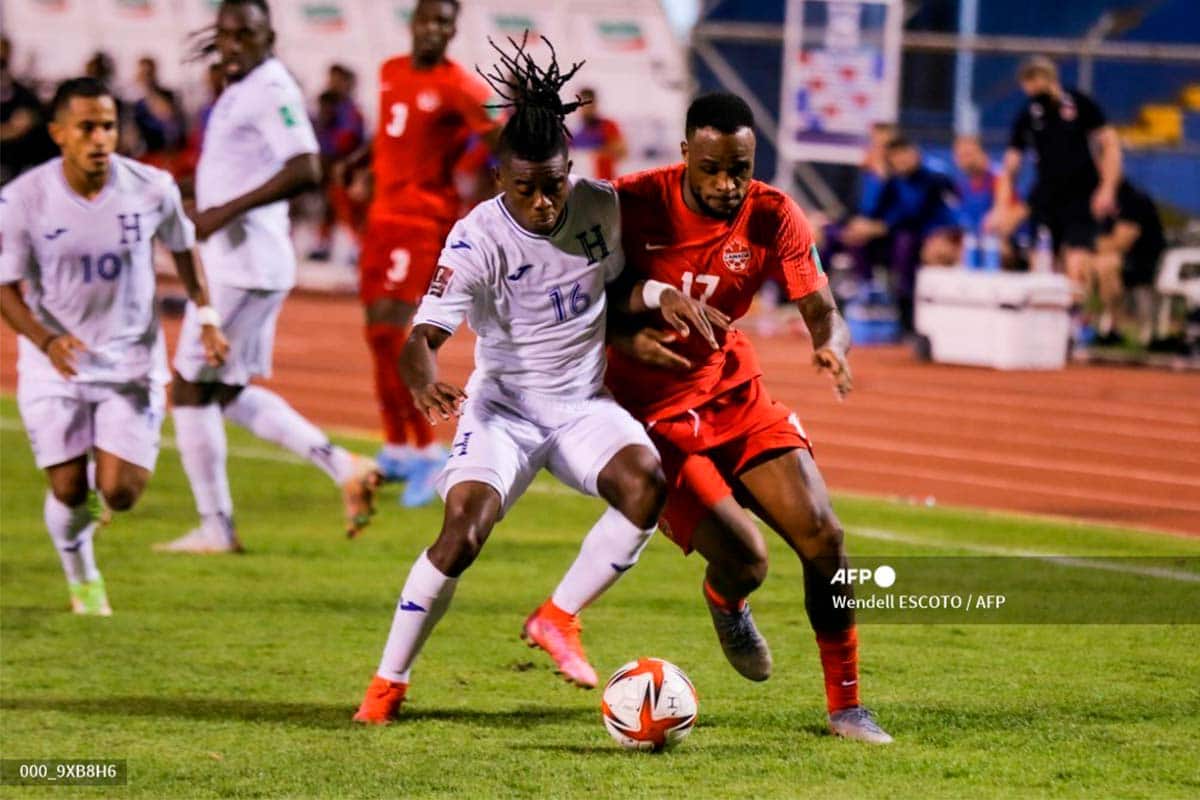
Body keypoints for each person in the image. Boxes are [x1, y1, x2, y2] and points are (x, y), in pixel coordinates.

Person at [351, 35, 719, 724]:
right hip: (505, 410)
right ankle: (388, 681)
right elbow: (420, 338)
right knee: (462, 532)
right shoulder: (475, 237)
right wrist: (425, 377)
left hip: (581, 405)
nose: (545, 202)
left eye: (554, 184)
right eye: (527, 188)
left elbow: (622, 282)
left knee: (646, 487)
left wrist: (659, 296)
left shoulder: (601, 206)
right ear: (500, 180)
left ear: (569, 169)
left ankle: (557, 616)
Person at [595, 91, 893, 743]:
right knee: (748, 561)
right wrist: (624, 334)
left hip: (733, 392)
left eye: (741, 167)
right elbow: (576, 295)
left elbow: (821, 304)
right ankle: (727, 598)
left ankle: (846, 708)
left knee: (824, 537)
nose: (729, 184)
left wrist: (831, 346)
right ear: (684, 157)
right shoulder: (630, 202)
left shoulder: (772, 211)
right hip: (649, 423)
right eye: (714, 169)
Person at [155, 0, 380, 554]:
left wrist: (219, 212)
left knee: (188, 388)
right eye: (226, 34)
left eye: (245, 35)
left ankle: (215, 526)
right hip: (246, 262)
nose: (233, 44)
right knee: (226, 390)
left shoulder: (272, 87)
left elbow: (306, 166)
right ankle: (340, 462)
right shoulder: (245, 85)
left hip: (245, 266)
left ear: (269, 36)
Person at [0, 77, 228, 613]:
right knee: (69, 490)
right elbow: (5, 289)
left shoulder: (152, 187)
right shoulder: (23, 199)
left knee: (121, 493)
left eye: (108, 126)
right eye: (87, 127)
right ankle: (82, 576)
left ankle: (96, 514)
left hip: (130, 361)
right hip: (53, 363)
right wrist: (46, 339)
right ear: (59, 133)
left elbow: (184, 250)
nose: (100, 138)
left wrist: (209, 316)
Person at [343, 0, 499, 506]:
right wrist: (359, 161)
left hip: (421, 221)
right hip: (382, 218)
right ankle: (397, 446)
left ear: (452, 32)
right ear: (413, 22)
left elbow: (501, 132)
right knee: (374, 334)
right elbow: (391, 134)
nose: (435, 30)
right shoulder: (390, 72)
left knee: (396, 331)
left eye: (445, 24)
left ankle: (431, 452)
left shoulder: (459, 86)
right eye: (429, 20)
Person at [989, 56, 1122, 292]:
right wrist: (1002, 206)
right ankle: (1041, 320)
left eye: (1035, 80)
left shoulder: (1078, 103)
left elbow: (1109, 144)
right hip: (1046, 196)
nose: (1031, 88)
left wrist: (1108, 187)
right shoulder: (1028, 114)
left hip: (1081, 193)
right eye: (1027, 83)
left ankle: (1077, 322)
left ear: (1049, 78)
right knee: (1040, 261)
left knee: (1076, 263)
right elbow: (1011, 165)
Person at [840, 135, 960, 328]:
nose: (900, 160)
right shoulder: (893, 180)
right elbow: (876, 209)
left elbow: (915, 213)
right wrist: (862, 225)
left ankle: (907, 313)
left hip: (930, 234)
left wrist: (879, 227)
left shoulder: (933, 177)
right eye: (895, 157)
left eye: (903, 155)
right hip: (897, 233)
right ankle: (868, 294)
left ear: (914, 153)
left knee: (904, 243)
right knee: (857, 239)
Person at [1085, 181, 1166, 345]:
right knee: (1086, 264)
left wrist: (1089, 245)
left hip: (1144, 261)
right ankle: (1084, 325)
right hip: (1113, 258)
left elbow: (1121, 243)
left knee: (1105, 265)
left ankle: (1115, 327)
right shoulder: (1088, 199)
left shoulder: (1133, 199)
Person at [1, 36, 57, 184]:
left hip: (16, 168)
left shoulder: (22, 93)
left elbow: (32, 119)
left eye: (3, 61)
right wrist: (10, 129)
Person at [570, 87, 627, 180]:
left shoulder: (608, 125)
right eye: (581, 105)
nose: (585, 109)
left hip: (604, 183)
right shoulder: (574, 129)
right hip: (580, 184)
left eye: (587, 104)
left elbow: (623, 152)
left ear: (595, 104)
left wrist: (594, 153)